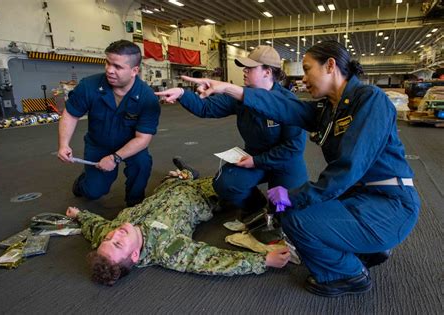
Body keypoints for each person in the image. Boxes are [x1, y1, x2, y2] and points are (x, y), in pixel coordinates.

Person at [176, 40, 421, 297]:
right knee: (295, 211)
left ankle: (348, 274)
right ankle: (367, 247)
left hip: (388, 205)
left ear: (330, 65)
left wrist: (293, 196)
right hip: (360, 197)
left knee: (295, 218)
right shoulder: (330, 108)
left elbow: (347, 170)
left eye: (307, 69)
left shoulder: (370, 100)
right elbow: (286, 107)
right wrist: (228, 88)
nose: (303, 79)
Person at [65, 162, 290, 286]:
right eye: (117, 244)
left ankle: (185, 173)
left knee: (174, 177)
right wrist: (264, 261)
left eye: (108, 239)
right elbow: (211, 260)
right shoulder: (167, 248)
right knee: (235, 178)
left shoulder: (110, 233)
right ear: (134, 256)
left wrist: (79, 215)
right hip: (204, 194)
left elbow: (95, 226)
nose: (114, 235)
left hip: (167, 189)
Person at [156, 45, 308, 219]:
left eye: (250, 67)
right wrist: (182, 93)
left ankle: (279, 207)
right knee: (225, 184)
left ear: (267, 72)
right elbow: (206, 107)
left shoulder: (288, 102)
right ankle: (254, 205)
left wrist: (257, 161)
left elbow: (293, 148)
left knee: (286, 213)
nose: (244, 70)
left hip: (285, 162)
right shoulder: (240, 97)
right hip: (254, 157)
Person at [58, 40, 160, 207]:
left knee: (142, 164)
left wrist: (115, 158)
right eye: (107, 63)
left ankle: (134, 203)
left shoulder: (147, 98)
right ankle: (83, 184)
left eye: (117, 67)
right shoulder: (89, 86)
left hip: (131, 145)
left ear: (135, 70)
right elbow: (70, 114)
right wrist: (64, 145)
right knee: (94, 192)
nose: (109, 70)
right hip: (99, 145)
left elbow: (143, 139)